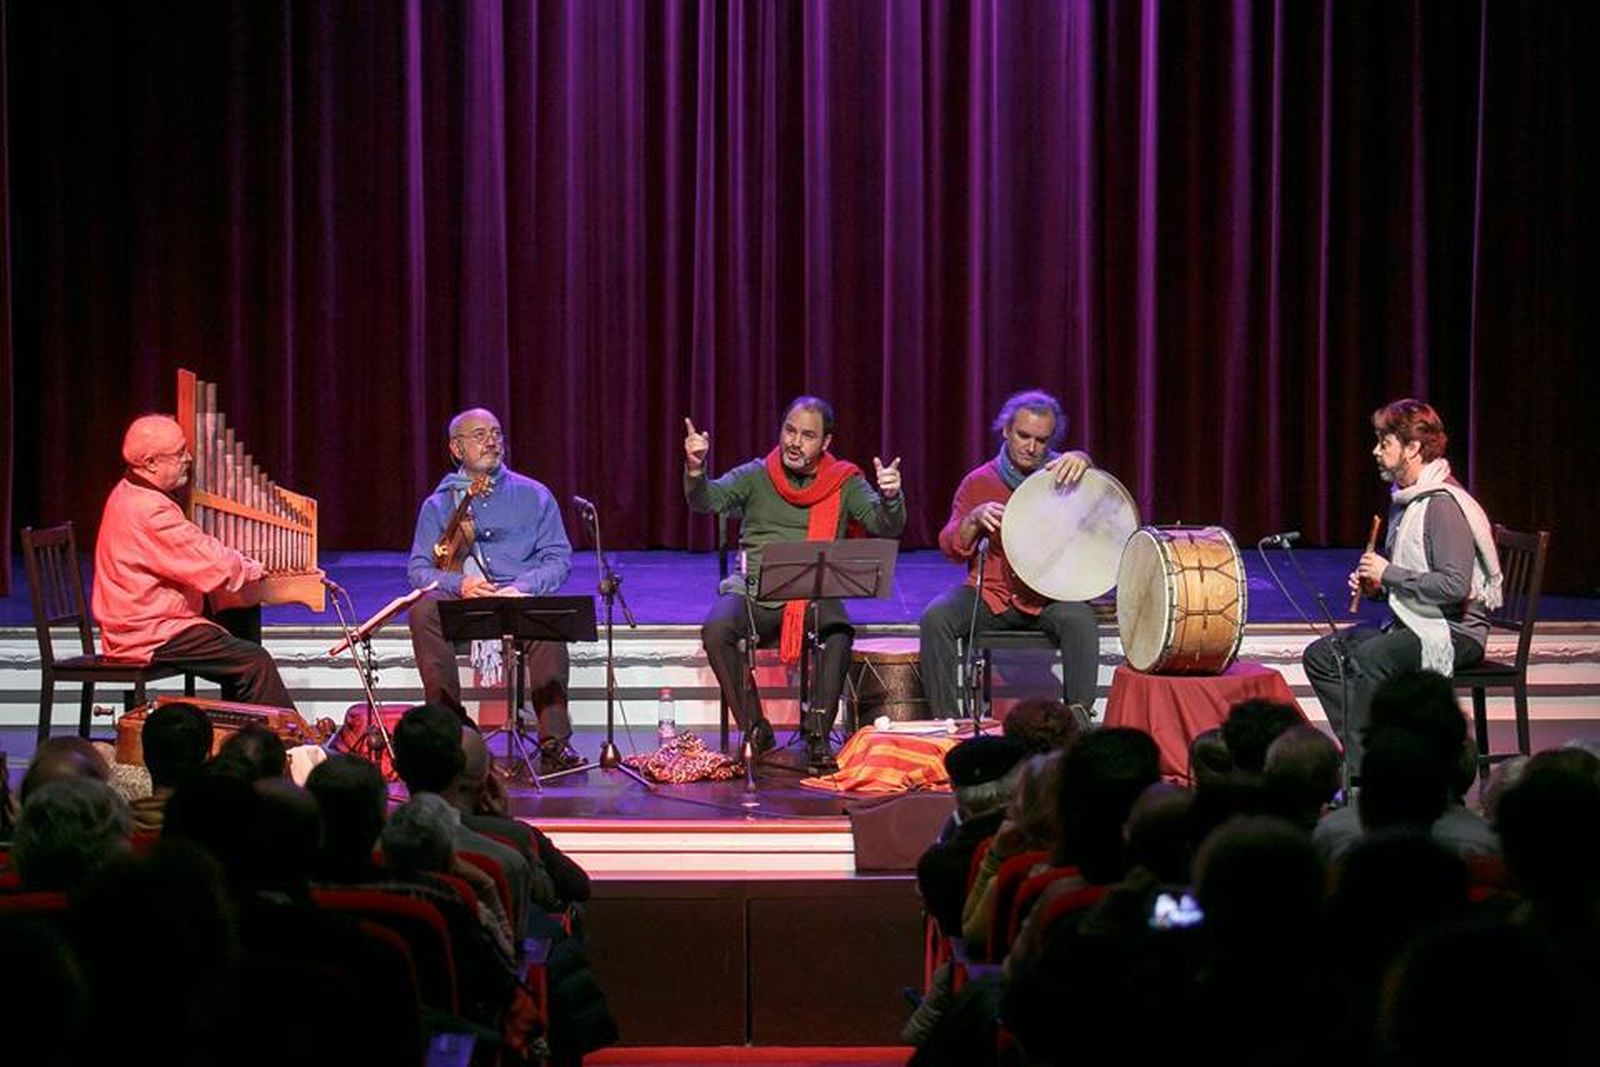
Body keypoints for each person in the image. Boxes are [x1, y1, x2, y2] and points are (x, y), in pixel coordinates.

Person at [684, 396, 906, 771]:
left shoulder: (843, 482)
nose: (794, 442)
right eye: (790, 430)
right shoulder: (757, 474)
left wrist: (890, 497)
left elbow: (886, 525)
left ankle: (817, 733)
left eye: (807, 435)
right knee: (717, 628)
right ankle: (756, 730)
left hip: (813, 593)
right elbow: (708, 499)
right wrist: (695, 468)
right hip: (755, 590)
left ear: (825, 443)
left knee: (837, 629)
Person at [1302, 399, 1502, 777]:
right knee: (1323, 656)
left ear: (1412, 448)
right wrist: (1378, 586)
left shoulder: (1442, 504)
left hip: (1454, 630)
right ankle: (1365, 761)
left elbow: (1454, 585)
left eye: (1384, 442)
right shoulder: (1405, 500)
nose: (1376, 451)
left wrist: (1389, 572)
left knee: (1372, 658)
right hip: (1418, 620)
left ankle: (1377, 769)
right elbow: (1413, 579)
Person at [406, 407, 583, 774]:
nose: (492, 441)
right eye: (480, 435)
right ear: (456, 449)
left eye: (497, 433)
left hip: (518, 601)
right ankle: (450, 731)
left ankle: (554, 741)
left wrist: (523, 587)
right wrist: (461, 584)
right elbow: (418, 570)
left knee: (547, 614)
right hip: (468, 605)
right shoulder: (440, 504)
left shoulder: (534, 495)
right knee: (423, 611)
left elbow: (558, 559)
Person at [91, 414, 296, 710]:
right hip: (147, 630)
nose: (188, 458)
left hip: (150, 619)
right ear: (150, 463)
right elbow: (205, 559)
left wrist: (238, 568)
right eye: (179, 454)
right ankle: (289, 744)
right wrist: (252, 567)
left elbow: (194, 550)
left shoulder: (130, 491)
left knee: (239, 612)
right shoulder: (148, 509)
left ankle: (244, 728)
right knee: (254, 661)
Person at [918, 390, 1101, 719]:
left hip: (1047, 597)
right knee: (936, 617)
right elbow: (951, 548)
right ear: (1006, 431)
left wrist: (1085, 461)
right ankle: (949, 723)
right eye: (1023, 436)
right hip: (991, 594)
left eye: (1041, 440)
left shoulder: (1064, 477)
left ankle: (1078, 721)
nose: (1031, 447)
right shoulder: (978, 481)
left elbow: (1101, 510)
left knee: (1081, 620)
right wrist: (973, 520)